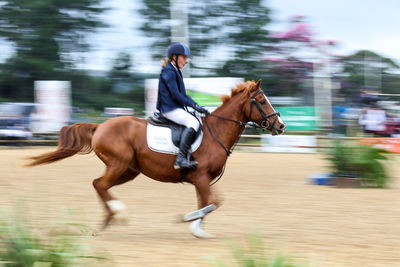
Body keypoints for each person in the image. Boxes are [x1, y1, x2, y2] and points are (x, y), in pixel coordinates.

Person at [156, 42, 209, 169]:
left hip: (174, 107)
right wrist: (193, 106)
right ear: (174, 57)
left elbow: (183, 95)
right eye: (184, 57)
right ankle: (180, 158)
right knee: (193, 123)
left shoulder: (175, 71)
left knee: (196, 119)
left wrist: (195, 105)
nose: (186, 61)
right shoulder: (169, 71)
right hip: (169, 108)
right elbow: (175, 94)